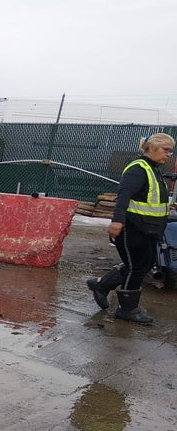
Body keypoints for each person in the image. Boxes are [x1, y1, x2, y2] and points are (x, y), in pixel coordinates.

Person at [86, 133, 174, 323]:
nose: (169, 154)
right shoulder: (138, 169)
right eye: (166, 150)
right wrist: (117, 221)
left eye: (170, 150)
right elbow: (123, 196)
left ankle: (101, 285)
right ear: (152, 148)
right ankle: (127, 309)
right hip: (132, 228)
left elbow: (148, 199)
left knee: (144, 265)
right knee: (137, 267)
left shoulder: (154, 170)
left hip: (149, 229)